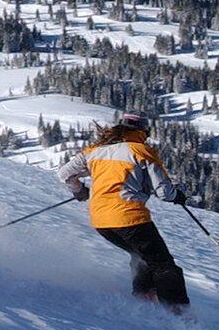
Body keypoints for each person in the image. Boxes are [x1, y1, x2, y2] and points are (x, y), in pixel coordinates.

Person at [57, 112, 191, 312]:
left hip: (101, 221)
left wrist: (79, 190)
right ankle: (178, 313)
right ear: (143, 131)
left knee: (140, 256)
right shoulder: (141, 151)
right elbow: (164, 192)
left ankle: (144, 297)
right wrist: (177, 196)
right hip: (129, 217)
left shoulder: (95, 151)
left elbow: (64, 173)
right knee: (164, 265)